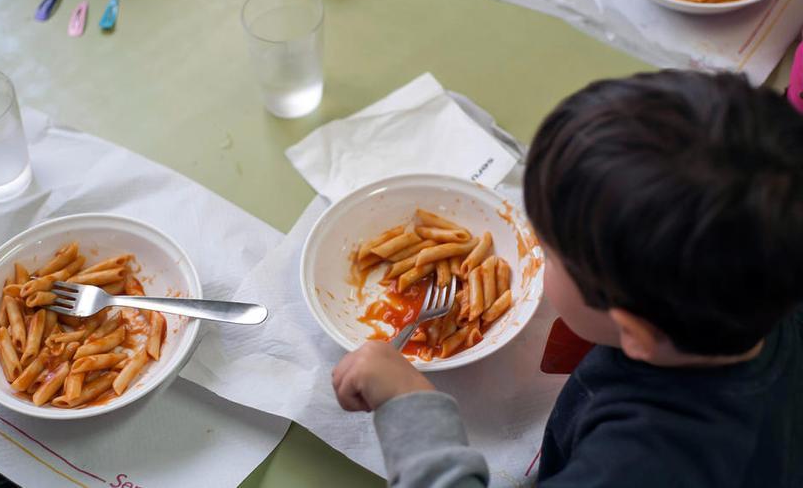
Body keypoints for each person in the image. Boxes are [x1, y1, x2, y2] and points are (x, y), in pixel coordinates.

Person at [331, 70, 803, 487]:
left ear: (635, 331)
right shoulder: (767, 273)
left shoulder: (638, 465)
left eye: (550, 255)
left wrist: (410, 403)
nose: (536, 255)